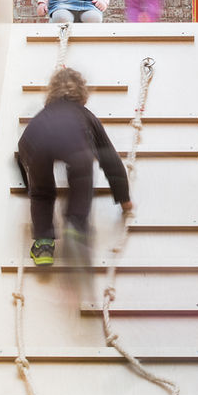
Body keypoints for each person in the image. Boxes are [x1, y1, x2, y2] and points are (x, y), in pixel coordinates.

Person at [16, 67, 133, 265]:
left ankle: (43, 244)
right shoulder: (85, 115)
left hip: (33, 141)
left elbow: (20, 155)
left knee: (41, 192)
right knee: (81, 175)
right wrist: (124, 199)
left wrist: (27, 184)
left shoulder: (43, 115)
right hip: (74, 142)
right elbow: (110, 160)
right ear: (82, 94)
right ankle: (75, 224)